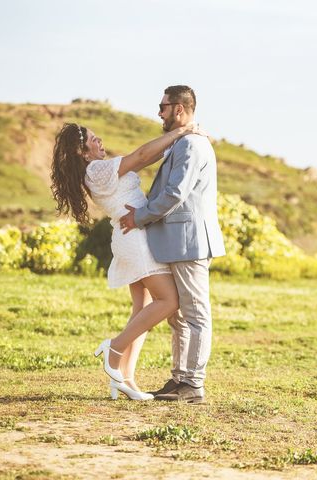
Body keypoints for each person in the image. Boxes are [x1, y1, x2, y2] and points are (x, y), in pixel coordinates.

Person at [50, 120, 203, 400]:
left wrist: (175, 140)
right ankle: (115, 348)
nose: (100, 142)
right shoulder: (97, 169)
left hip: (132, 235)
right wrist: (181, 132)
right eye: (93, 140)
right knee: (170, 301)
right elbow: (141, 156)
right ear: (83, 153)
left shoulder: (99, 170)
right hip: (135, 239)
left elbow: (146, 158)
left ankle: (125, 380)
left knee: (141, 309)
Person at [119, 85, 226, 404]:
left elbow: (175, 194)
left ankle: (193, 384)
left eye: (163, 106)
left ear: (179, 109)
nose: (159, 112)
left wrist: (140, 217)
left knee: (195, 313)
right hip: (178, 241)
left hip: (189, 241)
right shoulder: (183, 142)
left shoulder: (191, 145)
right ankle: (180, 379)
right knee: (179, 316)